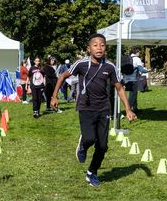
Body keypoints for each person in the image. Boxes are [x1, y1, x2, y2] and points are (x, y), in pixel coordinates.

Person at [51, 33, 137, 187]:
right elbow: (62, 77)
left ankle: (92, 172)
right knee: (90, 138)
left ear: (105, 48)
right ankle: (83, 144)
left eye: (102, 45)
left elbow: (119, 88)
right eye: (95, 45)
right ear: (89, 48)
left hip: (104, 109)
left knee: (103, 146)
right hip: (86, 107)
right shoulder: (81, 64)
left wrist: (128, 109)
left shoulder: (110, 66)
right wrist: (54, 96)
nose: (99, 48)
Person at [123, 47, 147, 113]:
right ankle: (128, 110)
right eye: (139, 52)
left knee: (133, 93)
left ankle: (135, 108)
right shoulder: (137, 59)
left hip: (126, 78)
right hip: (134, 79)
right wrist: (147, 71)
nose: (139, 53)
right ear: (136, 52)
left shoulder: (128, 58)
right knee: (133, 94)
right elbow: (141, 69)